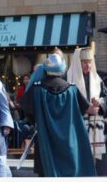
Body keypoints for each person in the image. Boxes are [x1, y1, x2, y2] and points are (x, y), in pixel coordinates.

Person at [20, 53, 97, 176]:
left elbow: (27, 112)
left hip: (45, 142)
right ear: (62, 69)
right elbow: (91, 110)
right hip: (69, 143)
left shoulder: (36, 90)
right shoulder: (72, 89)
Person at [67, 47, 107, 175]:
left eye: (90, 62)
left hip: (97, 129)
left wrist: (100, 103)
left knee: (99, 167)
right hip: (77, 127)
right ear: (78, 63)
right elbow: (66, 103)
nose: (88, 65)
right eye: (84, 62)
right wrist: (86, 108)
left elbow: (105, 98)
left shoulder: (98, 80)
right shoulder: (68, 80)